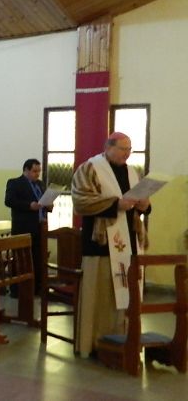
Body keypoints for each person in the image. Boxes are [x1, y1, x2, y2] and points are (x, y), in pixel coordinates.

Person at [72, 132, 151, 358]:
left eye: (130, 149)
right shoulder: (89, 168)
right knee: (99, 293)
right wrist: (117, 204)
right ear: (108, 147)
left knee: (126, 292)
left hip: (130, 241)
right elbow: (80, 201)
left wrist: (144, 205)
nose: (127, 154)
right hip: (101, 242)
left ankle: (123, 338)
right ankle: (93, 342)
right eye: (123, 149)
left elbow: (139, 204)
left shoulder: (132, 172)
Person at [5, 158, 50, 295]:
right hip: (23, 227)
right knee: (22, 259)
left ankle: (36, 288)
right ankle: (18, 290)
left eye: (39, 171)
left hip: (40, 227)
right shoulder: (15, 183)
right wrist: (29, 206)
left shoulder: (40, 184)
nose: (37, 174)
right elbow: (9, 201)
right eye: (34, 171)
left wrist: (48, 205)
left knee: (38, 258)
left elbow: (43, 201)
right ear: (26, 170)